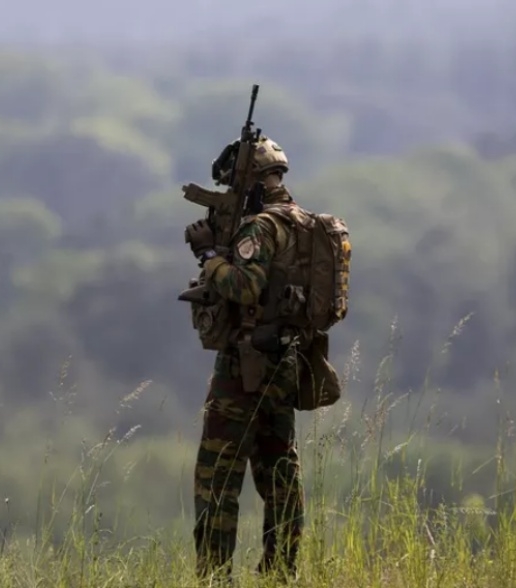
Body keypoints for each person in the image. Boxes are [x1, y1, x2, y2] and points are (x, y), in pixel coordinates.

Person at [184, 135, 324, 584]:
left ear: (253, 181)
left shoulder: (260, 227)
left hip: (243, 368)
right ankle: (280, 573)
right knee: (280, 473)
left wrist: (209, 255)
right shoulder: (304, 222)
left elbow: (244, 288)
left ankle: (214, 577)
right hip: (287, 362)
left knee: (217, 476)